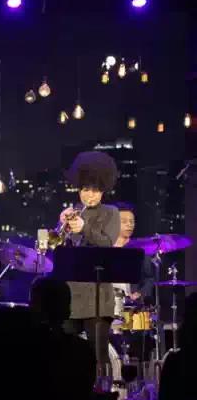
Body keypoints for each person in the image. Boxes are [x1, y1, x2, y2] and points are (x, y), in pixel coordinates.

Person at [59, 151, 120, 367]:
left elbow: (107, 243)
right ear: (78, 188)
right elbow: (58, 250)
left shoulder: (111, 213)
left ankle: (102, 387)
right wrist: (61, 226)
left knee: (98, 357)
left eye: (96, 190)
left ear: (104, 190)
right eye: (86, 190)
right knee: (66, 356)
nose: (90, 196)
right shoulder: (72, 213)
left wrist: (84, 228)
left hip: (98, 298)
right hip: (71, 297)